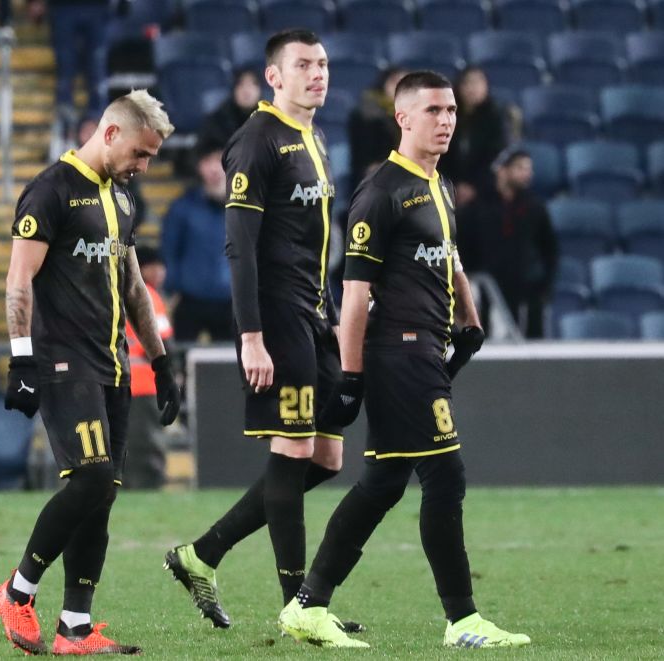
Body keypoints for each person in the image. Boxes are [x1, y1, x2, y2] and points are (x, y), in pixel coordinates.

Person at [277, 71, 531, 650]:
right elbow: (355, 294)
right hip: (401, 352)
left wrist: (470, 317)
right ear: (403, 118)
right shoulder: (382, 192)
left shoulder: (439, 184)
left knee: (383, 482)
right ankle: (463, 620)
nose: (446, 120)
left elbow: (449, 255)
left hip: (427, 347)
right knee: (445, 475)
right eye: (433, 110)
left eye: (451, 110)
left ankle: (308, 604)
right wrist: (350, 375)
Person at [164, 29, 356, 631]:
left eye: (323, 64)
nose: (318, 74)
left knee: (326, 457)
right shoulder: (256, 140)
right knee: (292, 451)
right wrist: (251, 335)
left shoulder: (315, 136)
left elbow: (313, 243)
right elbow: (240, 247)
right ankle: (302, 606)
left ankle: (201, 553)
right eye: (304, 65)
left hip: (315, 312)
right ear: (274, 76)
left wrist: (332, 314)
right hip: (276, 317)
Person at [0, 89, 181, 656]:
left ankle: (75, 627)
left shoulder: (121, 197)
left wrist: (161, 362)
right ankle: (17, 591)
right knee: (93, 479)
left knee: (102, 495)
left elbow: (134, 287)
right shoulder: (50, 190)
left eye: (151, 157)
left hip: (113, 364)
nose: (144, 166)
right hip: (62, 361)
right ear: (111, 132)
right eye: (141, 153)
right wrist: (21, 358)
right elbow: (18, 280)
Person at [457, 148, 558, 338]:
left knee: (530, 341)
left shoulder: (535, 208)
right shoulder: (477, 208)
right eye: (520, 168)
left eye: (528, 169)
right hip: (488, 288)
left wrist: (544, 285)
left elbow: (549, 249)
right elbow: (463, 246)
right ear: (502, 171)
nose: (527, 174)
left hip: (527, 291)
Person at [161, 140, 233, 342]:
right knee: (181, 355)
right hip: (190, 299)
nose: (214, 168)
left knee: (233, 358)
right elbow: (169, 251)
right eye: (208, 161)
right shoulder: (182, 207)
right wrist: (171, 288)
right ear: (199, 166)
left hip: (232, 301)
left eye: (219, 161)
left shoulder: (246, 207)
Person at [26, 0, 111, 160]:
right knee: (66, 72)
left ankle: (96, 129)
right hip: (64, 7)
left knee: (97, 73)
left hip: (96, 7)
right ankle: (66, 132)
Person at [123, 245, 174, 488]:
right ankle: (149, 488)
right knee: (146, 448)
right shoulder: (149, 296)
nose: (159, 272)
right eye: (153, 267)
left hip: (114, 384)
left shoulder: (111, 292)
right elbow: (164, 342)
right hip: (144, 384)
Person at [437, 65, 508, 208]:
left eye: (477, 82)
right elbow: (440, 154)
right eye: (467, 82)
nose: (472, 88)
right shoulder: (446, 115)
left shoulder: (496, 117)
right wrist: (455, 185)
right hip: (448, 186)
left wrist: (473, 186)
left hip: (485, 188)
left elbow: (495, 157)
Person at [347, 66, 408, 190]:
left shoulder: (415, 114)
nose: (400, 89)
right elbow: (365, 157)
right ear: (384, 84)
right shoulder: (368, 112)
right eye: (395, 82)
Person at [197, 67, 262, 149]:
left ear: (260, 90)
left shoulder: (269, 119)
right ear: (233, 89)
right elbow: (202, 150)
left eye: (253, 84)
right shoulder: (218, 121)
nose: (246, 90)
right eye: (240, 84)